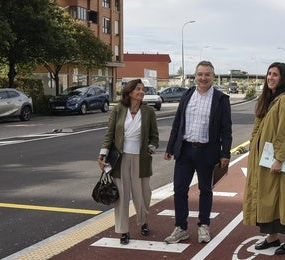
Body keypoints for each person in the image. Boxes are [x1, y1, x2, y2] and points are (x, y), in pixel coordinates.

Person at [164, 60, 232, 244]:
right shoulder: (187, 96)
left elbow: (226, 129)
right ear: (195, 76)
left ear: (213, 77)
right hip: (185, 150)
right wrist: (170, 147)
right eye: (200, 74)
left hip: (207, 151)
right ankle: (181, 228)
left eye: (207, 74)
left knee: (205, 190)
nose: (203, 78)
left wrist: (225, 153)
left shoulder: (221, 99)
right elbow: (177, 123)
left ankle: (204, 226)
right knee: (179, 189)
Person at [243, 62, 285, 255]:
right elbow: (258, 125)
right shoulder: (269, 98)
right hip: (262, 158)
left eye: (275, 75)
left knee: (281, 198)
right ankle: (272, 236)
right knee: (266, 199)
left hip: (276, 159)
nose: (271, 78)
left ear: (283, 78)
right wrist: (252, 145)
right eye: (269, 74)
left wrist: (279, 158)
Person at [98, 79, 159, 245]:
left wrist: (151, 147)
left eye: (143, 89)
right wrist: (103, 153)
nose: (141, 92)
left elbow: (155, 136)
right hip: (120, 158)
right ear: (130, 92)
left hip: (141, 159)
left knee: (144, 195)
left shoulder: (148, 111)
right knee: (122, 196)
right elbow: (109, 134)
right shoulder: (118, 110)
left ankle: (143, 221)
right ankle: (123, 231)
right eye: (138, 89)